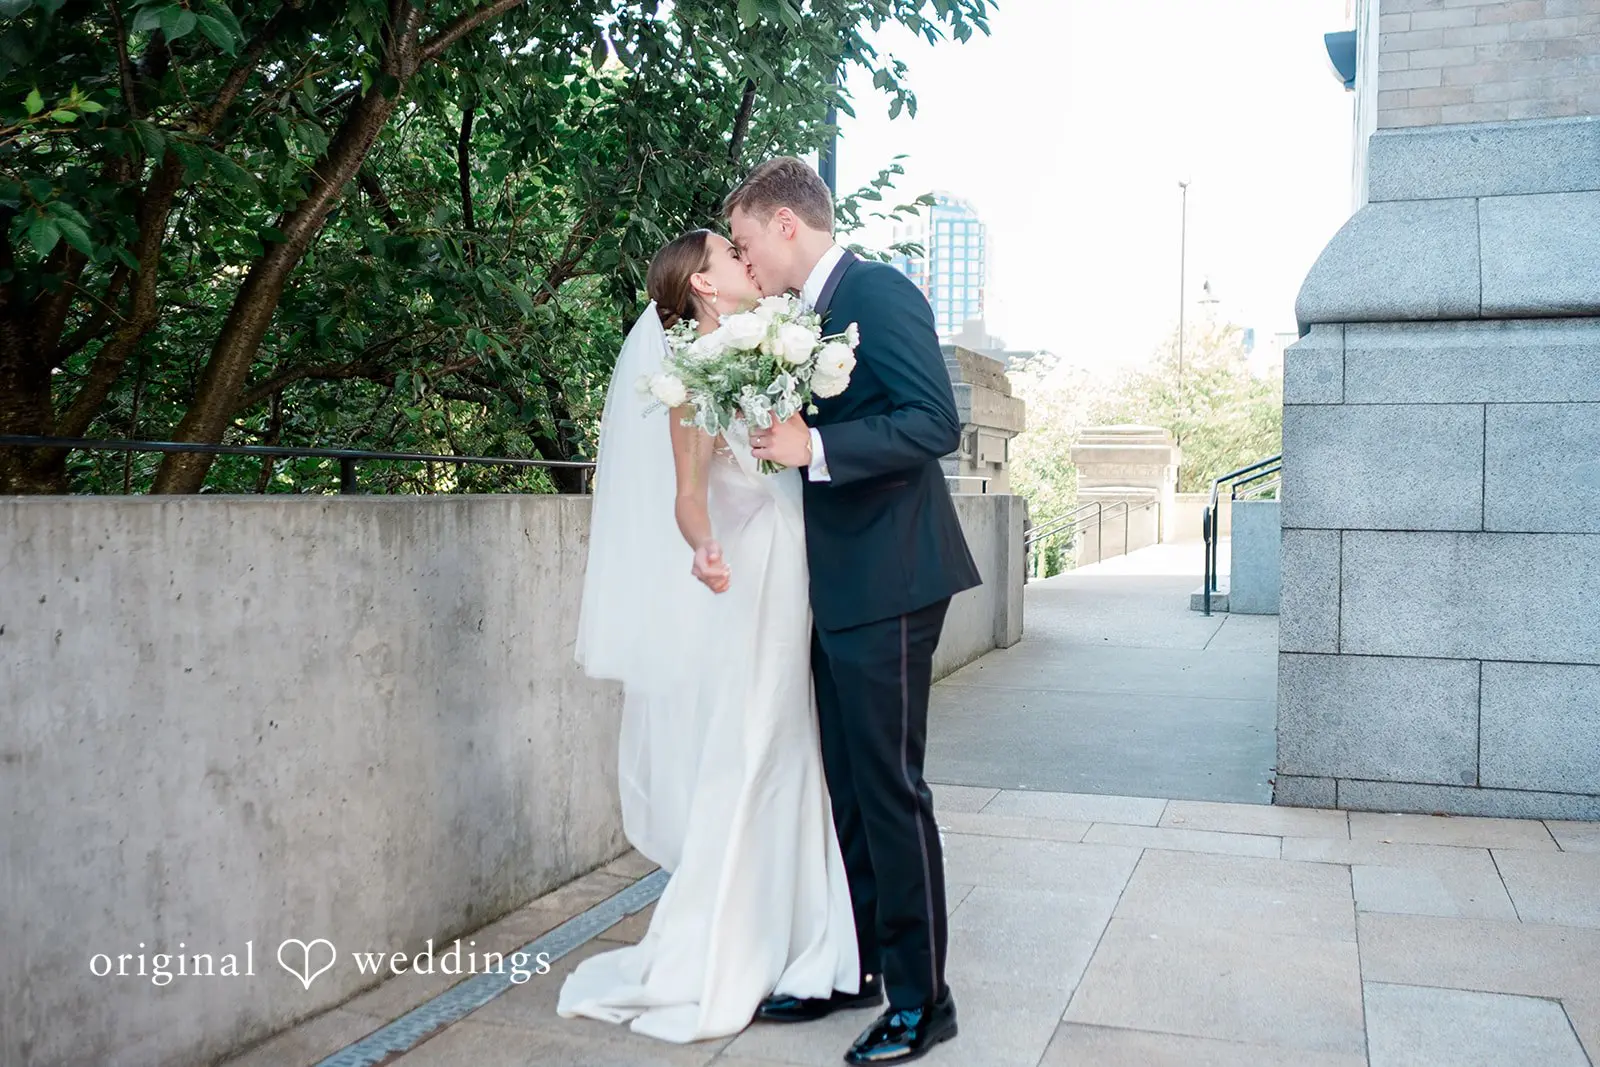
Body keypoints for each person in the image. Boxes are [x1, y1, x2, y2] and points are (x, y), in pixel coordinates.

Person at [561, 229, 859, 1043]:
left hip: (794, 561)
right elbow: (689, 494)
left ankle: (799, 932)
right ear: (702, 281)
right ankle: (730, 943)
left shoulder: (765, 347)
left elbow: (789, 449)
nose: (743, 258)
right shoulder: (687, 375)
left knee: (791, 740)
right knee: (755, 741)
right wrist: (705, 548)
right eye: (730, 252)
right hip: (752, 570)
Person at [731, 157, 982, 1064]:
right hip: (837, 587)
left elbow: (932, 422)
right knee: (847, 783)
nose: (746, 260)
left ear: (786, 225)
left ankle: (925, 1000)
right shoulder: (801, 319)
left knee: (890, 788)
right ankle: (866, 965)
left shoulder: (878, 292)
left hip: (895, 583)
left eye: (750, 241)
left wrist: (816, 444)